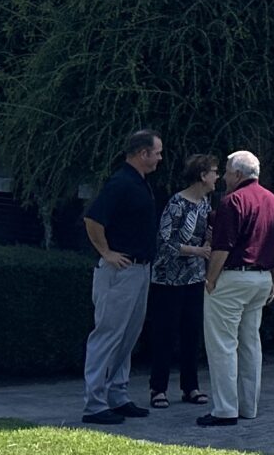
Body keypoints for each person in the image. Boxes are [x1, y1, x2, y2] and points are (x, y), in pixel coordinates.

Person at [80, 128, 164, 425]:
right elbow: (93, 218)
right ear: (143, 153)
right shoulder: (121, 182)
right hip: (121, 271)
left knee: (127, 334)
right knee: (109, 334)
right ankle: (95, 404)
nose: (159, 158)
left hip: (140, 269)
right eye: (157, 152)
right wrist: (107, 253)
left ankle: (117, 394)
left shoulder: (138, 183)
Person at [198, 149, 274, 427]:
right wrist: (273, 279)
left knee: (223, 344)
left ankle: (225, 409)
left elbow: (222, 246)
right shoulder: (273, 201)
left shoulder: (232, 201)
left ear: (237, 174)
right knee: (250, 343)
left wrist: (211, 279)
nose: (224, 176)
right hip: (262, 278)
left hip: (234, 278)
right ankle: (249, 406)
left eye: (226, 171)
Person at [145, 153, 221, 408]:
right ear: (202, 175)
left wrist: (209, 240)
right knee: (165, 333)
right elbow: (164, 241)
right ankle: (158, 389)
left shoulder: (206, 204)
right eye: (213, 171)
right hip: (169, 280)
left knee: (192, 332)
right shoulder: (177, 203)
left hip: (194, 278)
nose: (217, 177)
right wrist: (196, 251)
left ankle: (191, 386)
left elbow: (205, 237)